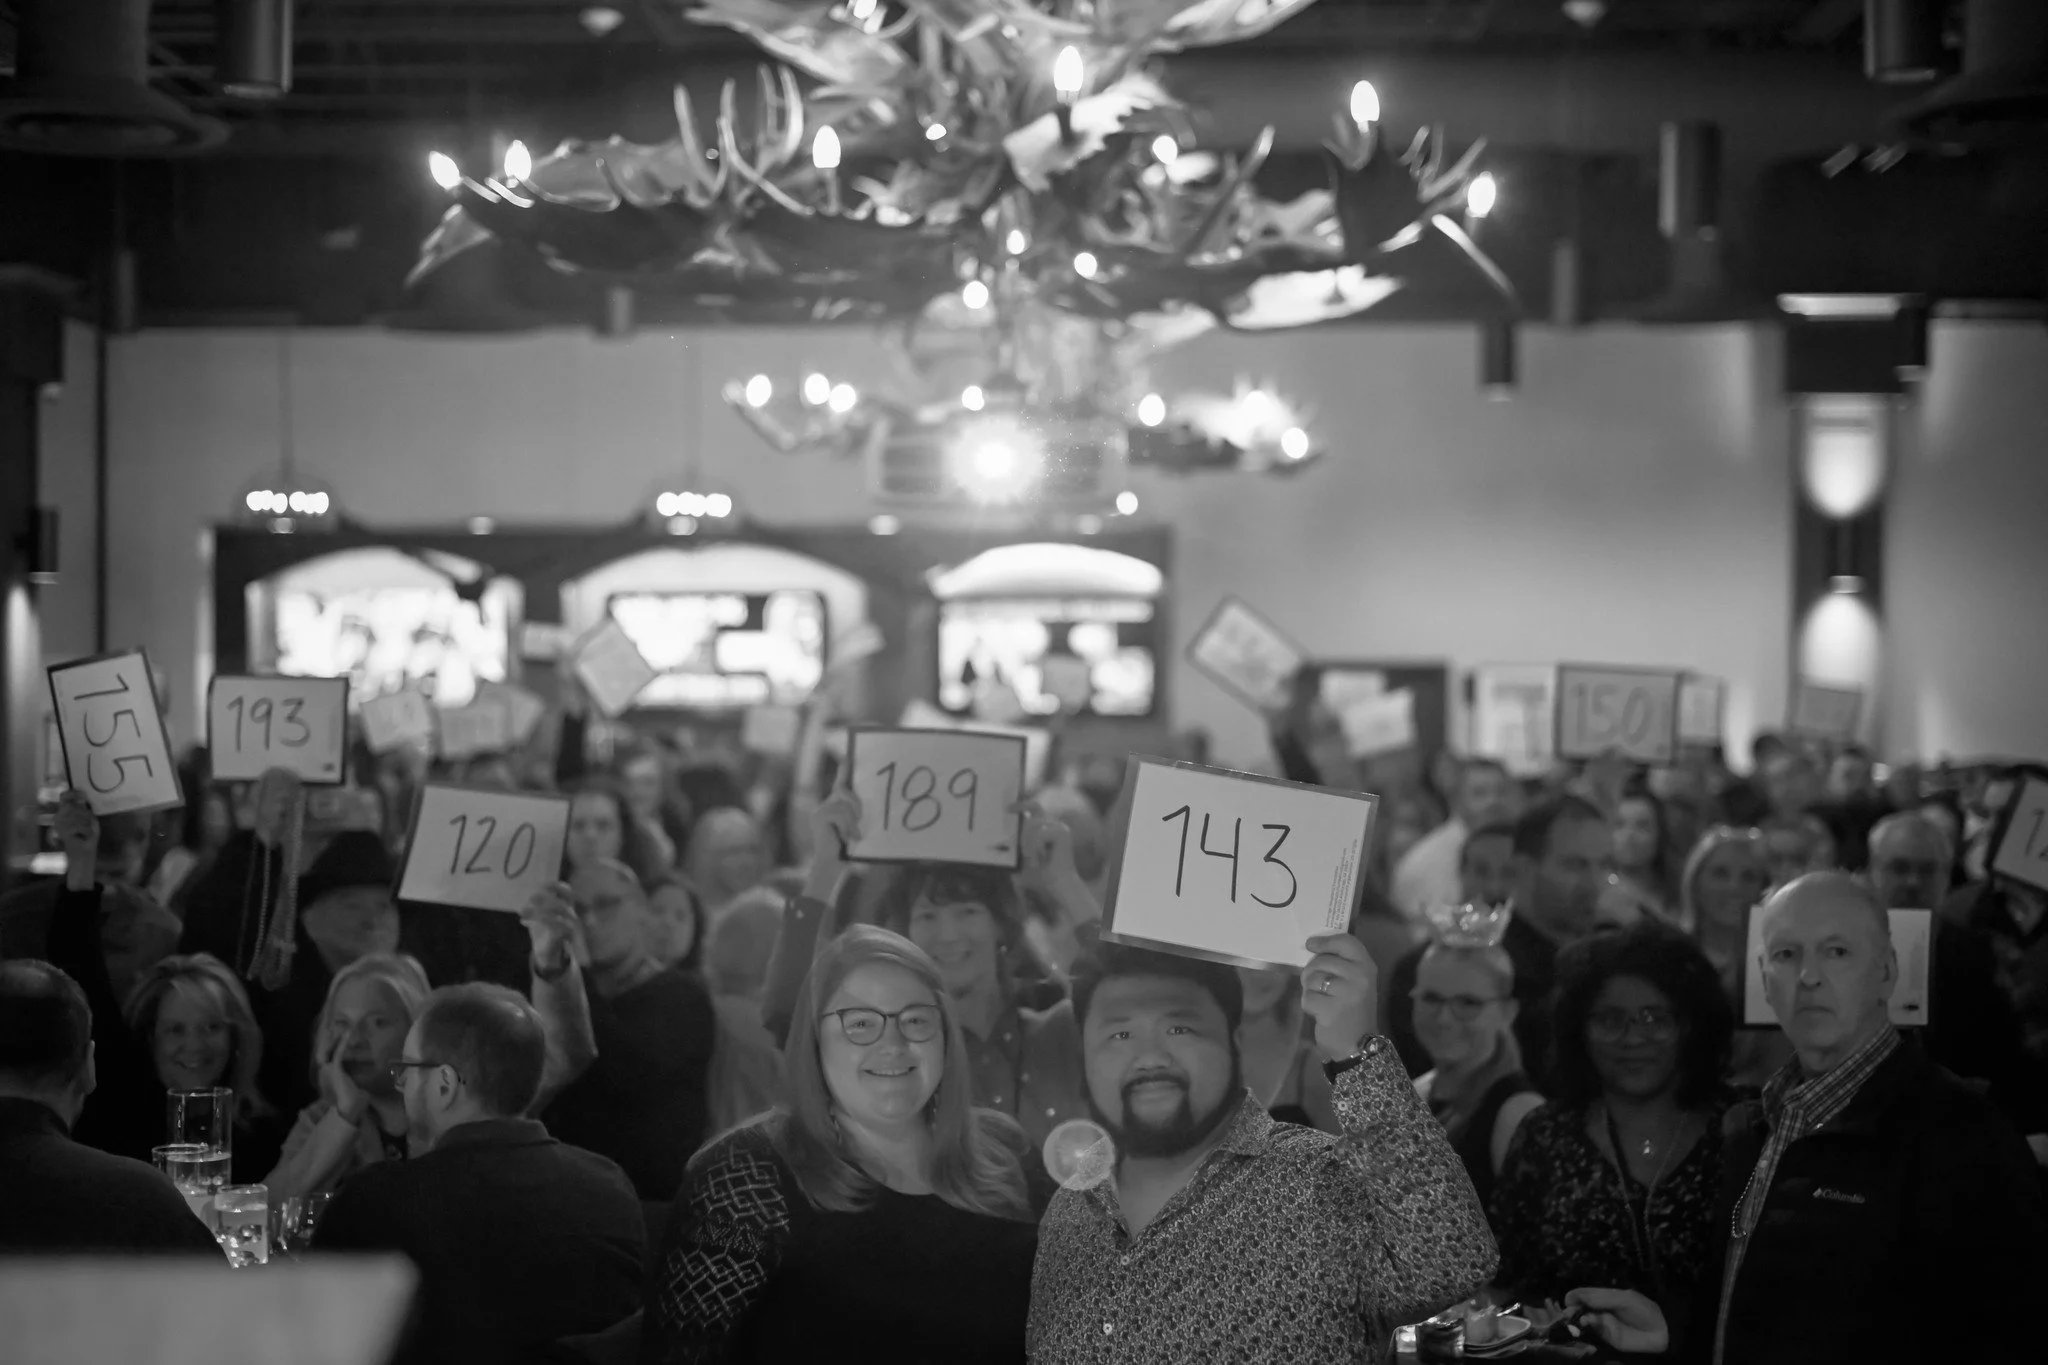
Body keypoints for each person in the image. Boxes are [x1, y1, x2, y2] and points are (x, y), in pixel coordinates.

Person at [1025, 932, 1497, 1363]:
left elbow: (1454, 1261)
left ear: (1234, 1042)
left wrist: (1355, 1053)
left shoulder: (1315, 1179)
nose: (1150, 1058)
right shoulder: (1068, 1212)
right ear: (1084, 1058)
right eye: (1119, 1034)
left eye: (1179, 1029)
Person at [644, 926, 1037, 1363]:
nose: (893, 1043)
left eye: (916, 1020)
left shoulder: (1007, 1154)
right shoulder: (742, 1176)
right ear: (814, 1040)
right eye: (861, 1023)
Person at [1699, 873, 2047, 1365]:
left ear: (1887, 971)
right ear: (1763, 977)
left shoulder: (1962, 1135)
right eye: (1786, 955)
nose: (1809, 976)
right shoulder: (1749, 1128)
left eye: (1836, 952)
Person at [316, 984, 645, 1365]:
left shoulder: (377, 1202)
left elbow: (315, 1340)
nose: (402, 1085)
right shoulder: (610, 1186)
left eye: (407, 1070)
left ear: (443, 1085)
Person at [766, 792, 1092, 1167]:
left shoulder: (1058, 1028)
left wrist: (1064, 879)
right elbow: (786, 1013)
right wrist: (825, 869)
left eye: (967, 911)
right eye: (927, 916)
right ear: (905, 933)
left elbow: (1132, 986)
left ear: (1001, 924)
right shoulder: (887, 1047)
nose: (948, 934)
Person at [1490, 925, 1733, 1344]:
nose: (1633, 1037)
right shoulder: (1545, 1134)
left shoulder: (1741, 1127)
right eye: (1610, 1019)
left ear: (1690, 1025)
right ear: (1579, 1029)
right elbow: (1505, 1283)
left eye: (1656, 1018)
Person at [1, 790, 183, 1155]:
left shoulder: (160, 929)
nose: (108, 893)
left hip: (123, 1109)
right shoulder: (17, 918)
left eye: (115, 877)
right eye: (100, 877)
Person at [0, 960, 221, 1253]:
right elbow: (220, 1297)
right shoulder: (138, 1200)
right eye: (175, 1030)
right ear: (89, 1067)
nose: (194, 1043)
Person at [1862, 813, 2048, 1157]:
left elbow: (2012, 1057)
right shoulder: (1841, 949)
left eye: (1928, 869)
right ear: (1873, 870)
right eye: (1899, 868)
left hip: (1955, 1129)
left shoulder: (1980, 954)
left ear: (1948, 876)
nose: (1914, 882)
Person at [1394, 796, 1613, 1083]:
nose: (1594, 884)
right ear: (1524, 868)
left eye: (1604, 865)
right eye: (1575, 866)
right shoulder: (1464, 962)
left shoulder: (1604, 951)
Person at [537, 859, 716, 1200]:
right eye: (575, 909)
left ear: (642, 911)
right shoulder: (555, 989)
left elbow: (620, 1068)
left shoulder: (681, 997)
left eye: (605, 905)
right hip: (563, 1198)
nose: (587, 921)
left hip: (643, 1209)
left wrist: (579, 972)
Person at [265, 952, 431, 1201]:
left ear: (415, 1029)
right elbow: (263, 1211)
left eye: (377, 1023)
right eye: (342, 1023)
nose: (353, 1040)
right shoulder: (318, 1119)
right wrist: (345, 1116)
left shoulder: (450, 1119)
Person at [1407, 926, 1542, 1209]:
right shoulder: (1414, 1094)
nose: (1444, 1018)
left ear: (1507, 1012)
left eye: (1468, 1003)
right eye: (1431, 998)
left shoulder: (1519, 1115)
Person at [120, 952, 282, 1180]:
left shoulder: (265, 1133)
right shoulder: (118, 1131)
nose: (195, 1045)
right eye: (176, 1030)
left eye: (212, 1027)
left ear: (235, 1037)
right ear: (150, 1039)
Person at [1394, 757, 1522, 923]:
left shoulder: (1512, 848)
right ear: (1456, 801)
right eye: (1480, 793)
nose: (1494, 802)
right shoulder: (1429, 863)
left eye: (1501, 792)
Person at [1236, 965, 1338, 1131]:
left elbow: (1356, 1152)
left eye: (1273, 959)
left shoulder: (1309, 1067)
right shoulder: (1198, 1057)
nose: (1261, 973)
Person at [1602, 790, 1682, 926]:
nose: (1629, 835)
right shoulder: (1599, 894)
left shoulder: (1678, 892)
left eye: (1642, 826)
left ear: (1660, 835)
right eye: (1619, 825)